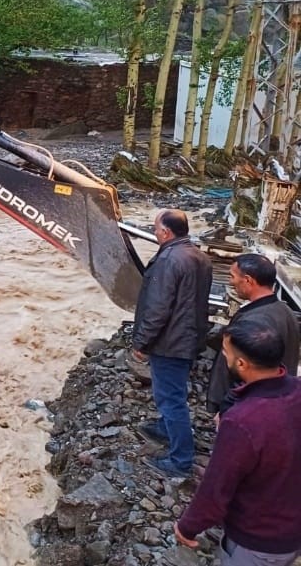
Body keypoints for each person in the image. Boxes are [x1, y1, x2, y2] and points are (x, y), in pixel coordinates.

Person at [173, 316, 301, 565]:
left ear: (241, 363)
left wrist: (187, 527)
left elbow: (217, 487)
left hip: (258, 540)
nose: (224, 357)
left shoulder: (242, 421)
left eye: (225, 352)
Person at [133, 209, 213, 477]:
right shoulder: (199, 256)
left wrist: (142, 343)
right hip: (189, 338)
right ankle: (166, 429)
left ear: (166, 232)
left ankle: (180, 461)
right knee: (173, 392)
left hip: (171, 342)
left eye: (156, 228)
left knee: (171, 399)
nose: (154, 232)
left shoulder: (168, 259)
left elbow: (158, 308)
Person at [207, 254, 300, 417]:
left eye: (233, 276)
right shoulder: (284, 311)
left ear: (248, 280)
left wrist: (228, 406)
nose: (231, 282)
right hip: (270, 402)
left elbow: (251, 371)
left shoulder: (258, 321)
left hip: (246, 407)